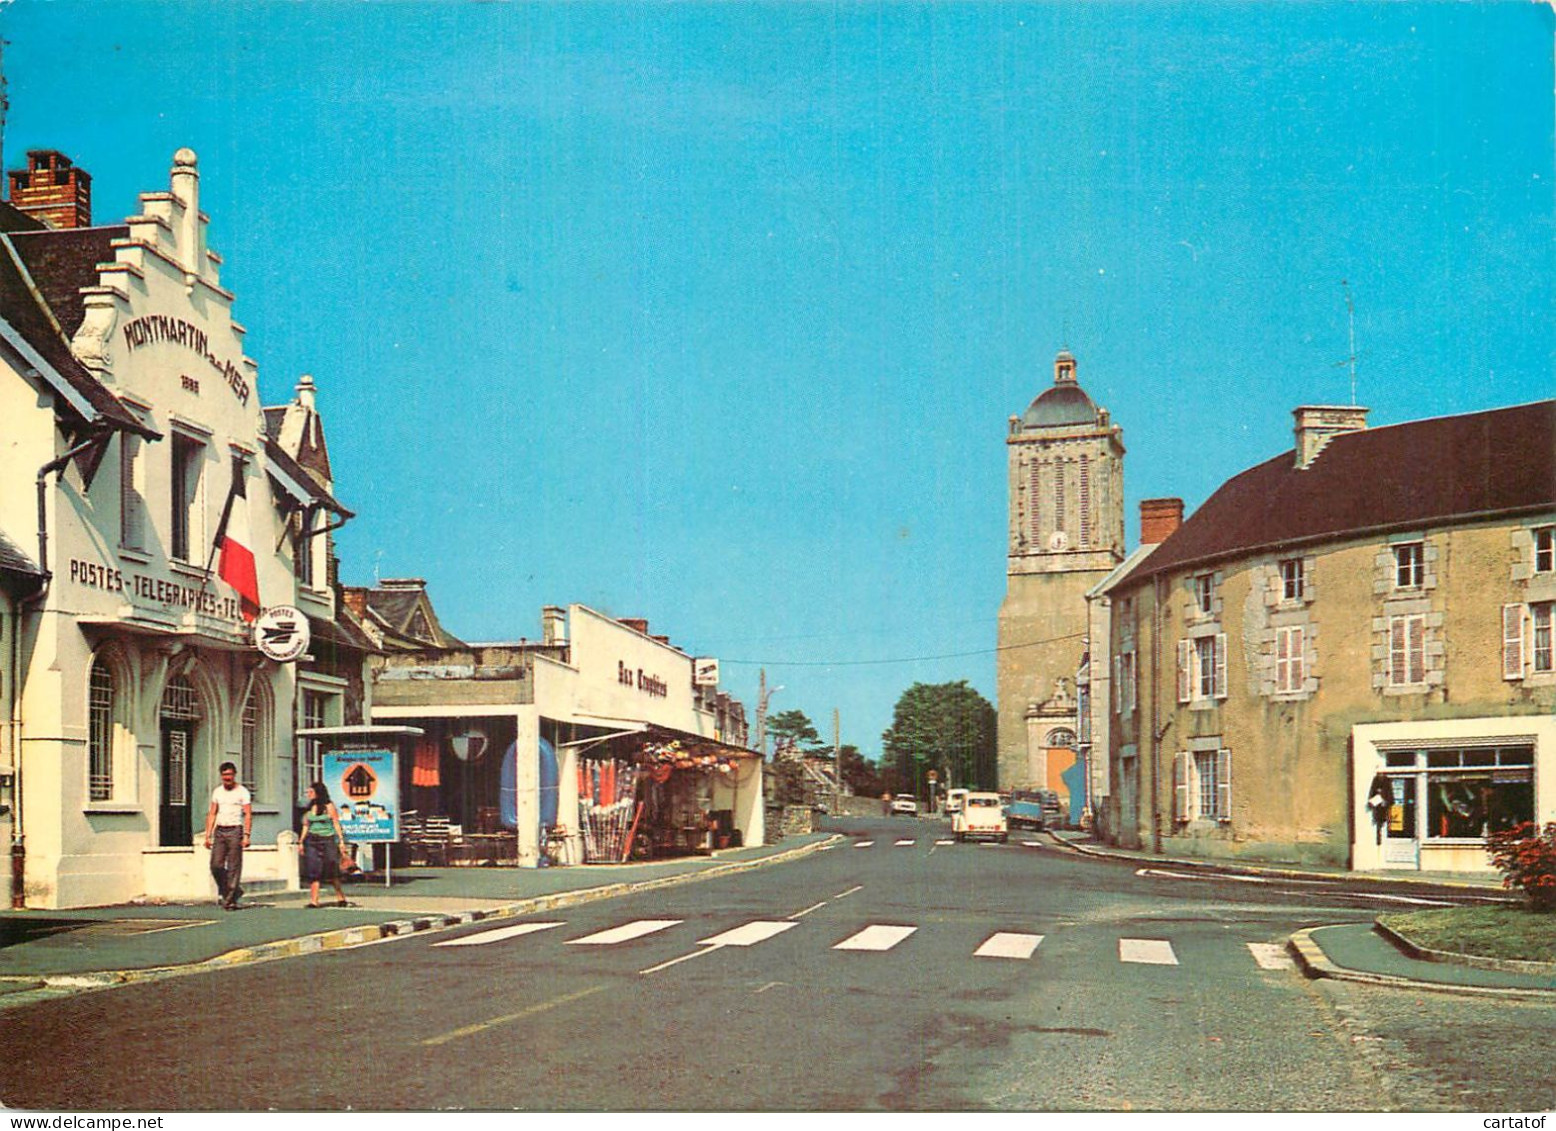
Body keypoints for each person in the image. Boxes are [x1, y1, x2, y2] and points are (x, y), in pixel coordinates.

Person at [203, 761, 252, 910]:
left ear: (234, 775)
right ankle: (234, 891)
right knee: (216, 865)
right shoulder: (217, 791)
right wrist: (208, 835)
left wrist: (246, 835)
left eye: (230, 775)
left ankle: (229, 900)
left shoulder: (242, 791)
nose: (227, 778)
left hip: (235, 830)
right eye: (224, 775)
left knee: (233, 867)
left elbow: (248, 814)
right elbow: (212, 813)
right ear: (221, 776)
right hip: (220, 830)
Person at [298, 780, 351, 908]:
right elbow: (306, 825)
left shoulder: (329, 806)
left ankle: (340, 897)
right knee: (313, 870)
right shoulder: (309, 807)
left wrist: (341, 842)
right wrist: (301, 841)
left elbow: (336, 823)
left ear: (318, 793)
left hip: (327, 840)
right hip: (312, 840)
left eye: (311, 792)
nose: (308, 794)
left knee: (331, 869)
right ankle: (314, 901)